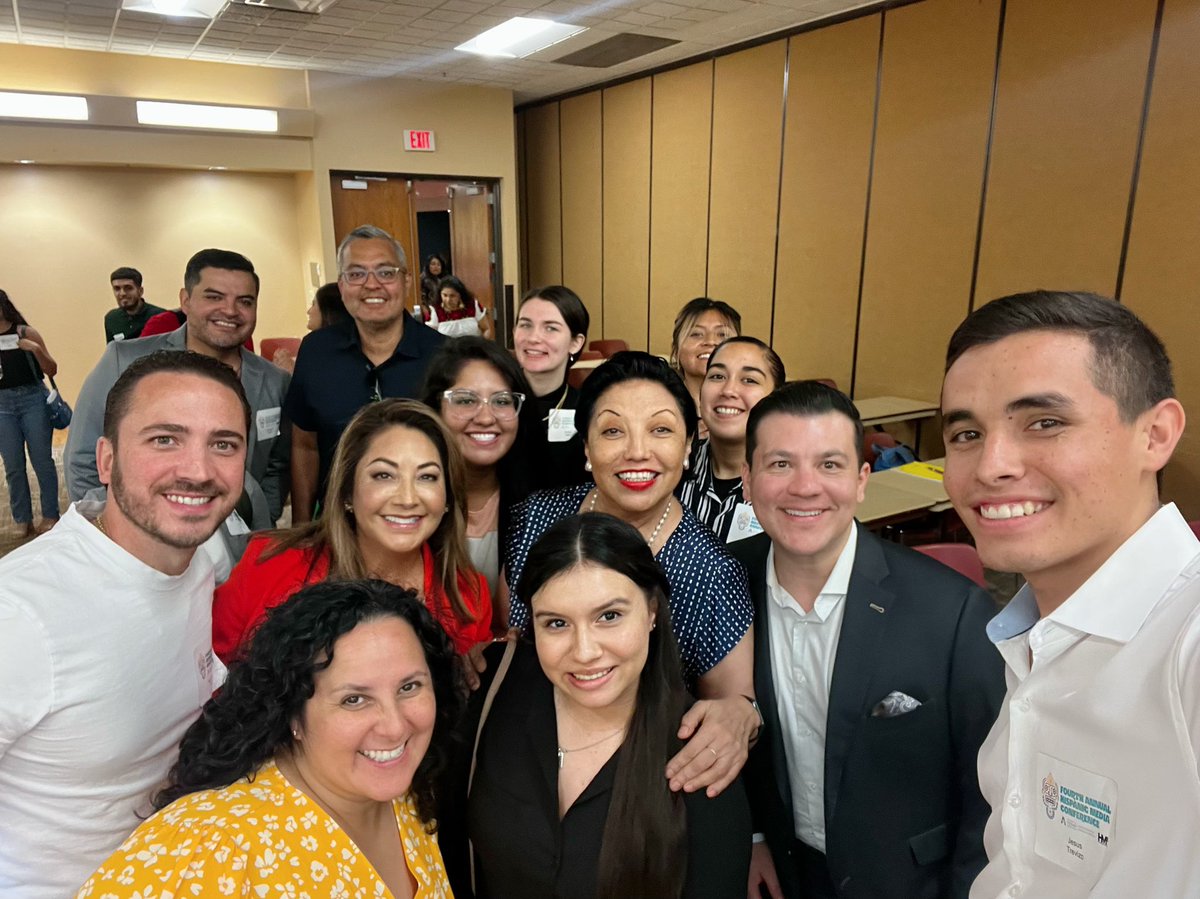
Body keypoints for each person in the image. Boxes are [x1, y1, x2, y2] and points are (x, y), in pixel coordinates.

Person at [939, 291, 1200, 899]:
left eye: (1045, 423)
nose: (991, 465)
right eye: (967, 433)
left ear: (1156, 435)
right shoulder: (1031, 632)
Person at [730, 380, 1003, 899]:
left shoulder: (953, 612)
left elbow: (989, 794)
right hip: (782, 876)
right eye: (780, 464)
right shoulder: (724, 585)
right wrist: (752, 835)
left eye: (829, 465)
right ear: (747, 479)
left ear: (861, 481)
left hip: (908, 881)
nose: (805, 487)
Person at [0, 350, 250, 898]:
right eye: (165, 439)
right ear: (107, 460)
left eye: (223, 444)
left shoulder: (204, 558)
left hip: (177, 869)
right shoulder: (19, 615)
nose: (198, 470)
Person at [78, 579, 463, 899]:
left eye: (410, 687)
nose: (394, 726)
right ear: (294, 712)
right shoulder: (209, 843)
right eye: (354, 699)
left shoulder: (404, 795)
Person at [456, 513, 752, 898]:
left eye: (609, 616)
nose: (584, 652)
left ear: (651, 613)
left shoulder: (701, 753)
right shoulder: (493, 688)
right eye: (556, 624)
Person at [505, 351, 759, 797]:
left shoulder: (712, 572)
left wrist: (742, 714)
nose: (637, 451)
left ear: (686, 447)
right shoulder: (536, 521)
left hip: (642, 787)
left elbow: (733, 708)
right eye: (612, 431)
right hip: (525, 760)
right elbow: (511, 641)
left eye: (660, 429)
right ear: (586, 448)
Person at [213, 398, 491, 663]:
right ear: (347, 492)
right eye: (384, 475)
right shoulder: (268, 563)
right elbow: (212, 682)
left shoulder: (469, 596)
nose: (407, 499)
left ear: (447, 499)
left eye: (427, 477)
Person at [67, 249, 290, 554]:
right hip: (145, 544)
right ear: (185, 300)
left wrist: (261, 521)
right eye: (214, 297)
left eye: (245, 301)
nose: (230, 310)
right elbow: (83, 458)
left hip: (241, 548)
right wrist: (113, 539)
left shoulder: (273, 380)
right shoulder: (125, 361)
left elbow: (275, 465)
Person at [286, 225, 446, 524]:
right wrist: (302, 525)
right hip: (335, 524)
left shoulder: (445, 356)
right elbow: (304, 444)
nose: (372, 285)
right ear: (342, 286)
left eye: (386, 273)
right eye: (356, 274)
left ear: (406, 280)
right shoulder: (316, 351)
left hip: (419, 522)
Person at [419, 336, 536, 603]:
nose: (485, 417)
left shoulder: (541, 502)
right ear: (436, 408)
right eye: (465, 400)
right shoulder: (411, 499)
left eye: (502, 401)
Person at [679, 336, 784, 543]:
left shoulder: (788, 486)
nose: (728, 390)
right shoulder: (675, 469)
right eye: (717, 376)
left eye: (749, 380)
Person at [512, 284, 591, 489]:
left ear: (575, 343)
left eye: (551, 328)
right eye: (525, 325)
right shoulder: (495, 404)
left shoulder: (588, 410)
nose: (534, 338)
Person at [0, 289, 61, 537]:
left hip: (32, 399)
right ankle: (22, 519)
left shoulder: (25, 332)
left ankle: (50, 515)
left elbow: (52, 369)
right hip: (2, 405)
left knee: (42, 461)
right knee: (13, 464)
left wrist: (35, 349)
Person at [669, 297, 741, 436]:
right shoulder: (660, 402)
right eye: (696, 334)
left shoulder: (751, 403)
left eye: (722, 335)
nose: (710, 341)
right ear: (676, 348)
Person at [104, 266, 164, 342]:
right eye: (117, 289)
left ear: (140, 291)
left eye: (128, 288)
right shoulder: (111, 319)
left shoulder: (160, 317)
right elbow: (112, 352)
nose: (122, 293)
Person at [427, 275, 495, 340]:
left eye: (452, 296)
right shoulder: (436, 310)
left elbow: (486, 329)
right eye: (445, 295)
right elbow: (431, 336)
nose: (448, 300)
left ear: (460, 295)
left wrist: (482, 346)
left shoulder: (472, 305)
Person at [420, 252, 449, 322]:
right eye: (433, 264)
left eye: (439, 265)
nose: (436, 267)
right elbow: (420, 298)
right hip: (427, 314)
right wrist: (425, 311)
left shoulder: (440, 281)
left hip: (438, 313)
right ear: (428, 265)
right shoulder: (422, 279)